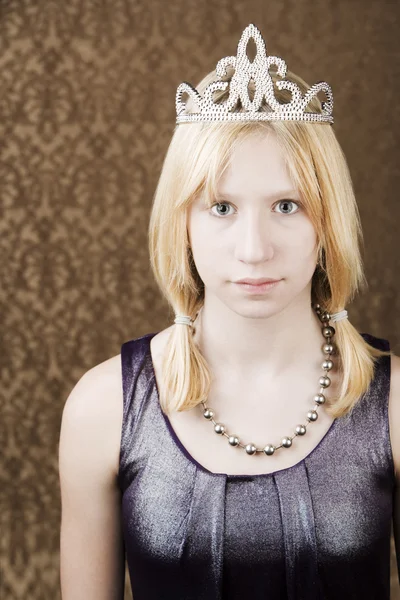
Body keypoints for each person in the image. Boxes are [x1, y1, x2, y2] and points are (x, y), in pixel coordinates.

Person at [59, 23, 400, 600]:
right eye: (220, 207)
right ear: (182, 224)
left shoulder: (393, 407)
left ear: (328, 223)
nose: (254, 249)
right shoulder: (102, 409)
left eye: (287, 206)